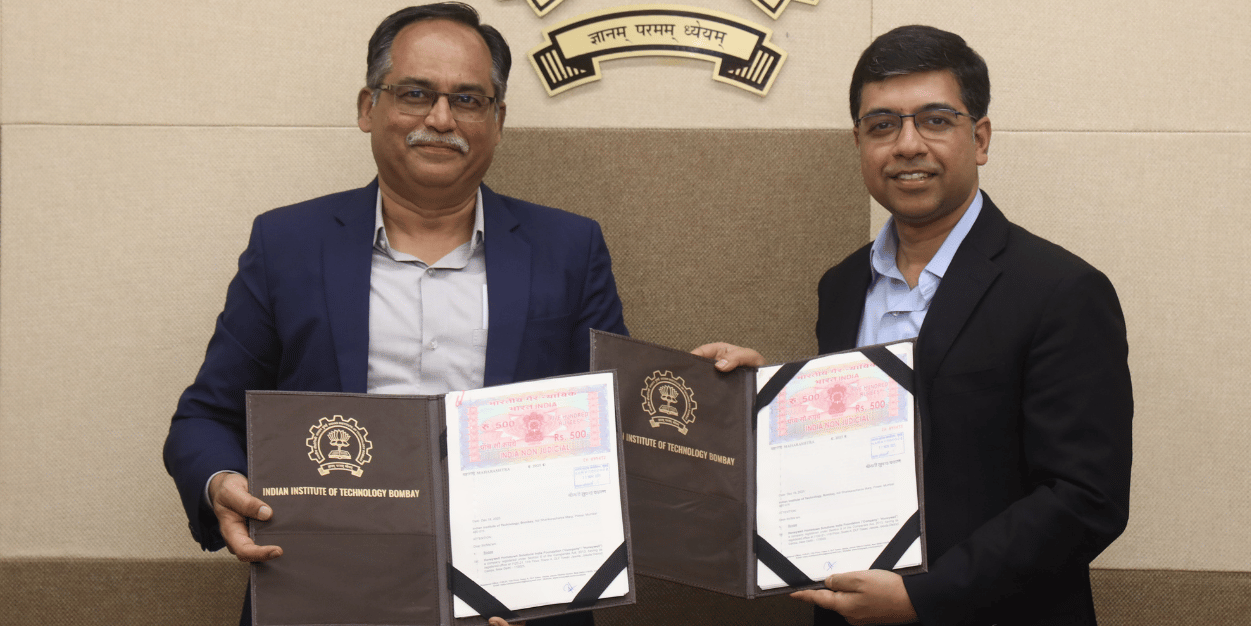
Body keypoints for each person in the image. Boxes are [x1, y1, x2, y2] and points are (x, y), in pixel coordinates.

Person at [163, 4, 625, 625]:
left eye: (468, 99)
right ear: (367, 107)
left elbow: (615, 424)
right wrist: (221, 482)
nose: (440, 119)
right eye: (415, 94)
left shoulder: (569, 248)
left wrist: (719, 401)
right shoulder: (288, 244)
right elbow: (205, 416)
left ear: (498, 119)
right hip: (323, 594)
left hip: (517, 599)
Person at [695, 25, 1131, 625]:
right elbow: (856, 438)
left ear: (978, 138)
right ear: (858, 142)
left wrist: (923, 599)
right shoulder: (842, 285)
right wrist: (763, 397)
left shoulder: (1062, 290)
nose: (907, 144)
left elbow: (1086, 501)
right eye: (882, 126)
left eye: (934, 120)